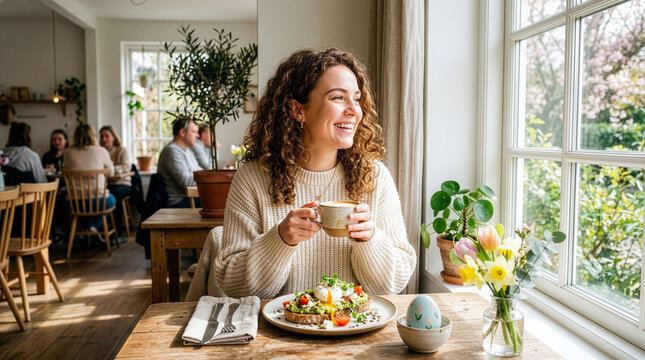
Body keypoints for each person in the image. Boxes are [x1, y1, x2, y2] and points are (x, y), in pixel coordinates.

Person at [208, 48, 416, 299]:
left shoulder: (375, 177)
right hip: (273, 334)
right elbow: (233, 286)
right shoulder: (252, 180)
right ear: (298, 110)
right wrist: (280, 240)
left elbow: (393, 285)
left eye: (357, 98)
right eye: (338, 98)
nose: (354, 111)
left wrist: (369, 239)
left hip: (354, 330)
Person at [64, 124, 115, 234]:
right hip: (99, 201)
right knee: (111, 200)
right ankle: (94, 227)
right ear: (93, 135)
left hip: (75, 202)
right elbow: (111, 173)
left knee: (84, 207)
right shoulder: (101, 151)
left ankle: (89, 228)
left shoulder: (68, 152)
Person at [157, 116, 202, 208]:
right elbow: (186, 183)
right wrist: (209, 181)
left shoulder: (188, 150)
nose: (198, 136)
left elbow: (199, 171)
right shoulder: (171, 151)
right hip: (179, 201)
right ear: (182, 132)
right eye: (194, 132)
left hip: (190, 198)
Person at [100, 125, 132, 236]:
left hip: (122, 183)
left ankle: (117, 230)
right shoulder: (100, 152)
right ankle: (101, 229)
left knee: (114, 195)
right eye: (102, 137)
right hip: (106, 184)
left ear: (113, 137)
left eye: (107, 136)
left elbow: (126, 167)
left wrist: (112, 168)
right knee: (99, 195)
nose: (104, 139)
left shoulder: (121, 150)